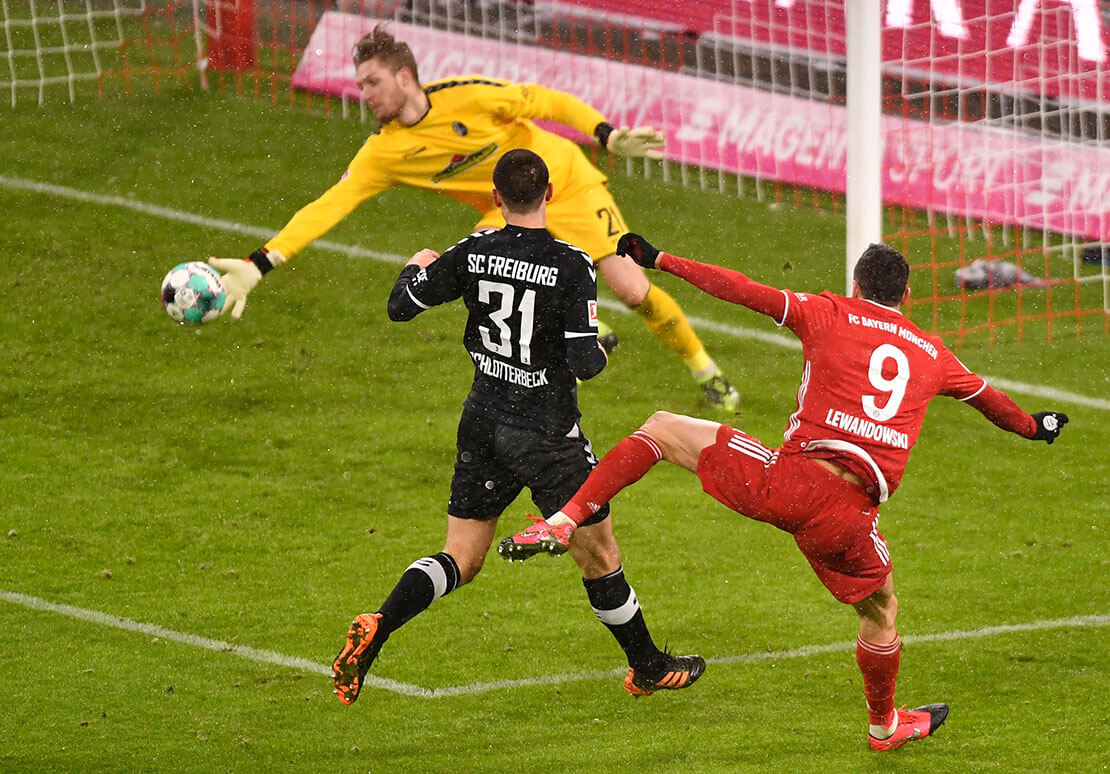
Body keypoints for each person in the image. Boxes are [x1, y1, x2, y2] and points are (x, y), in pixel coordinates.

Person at [499, 234, 1070, 750]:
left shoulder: (827, 312)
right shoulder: (932, 353)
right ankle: (884, 725)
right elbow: (991, 400)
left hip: (785, 484)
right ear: (907, 295)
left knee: (662, 429)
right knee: (883, 611)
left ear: (856, 284)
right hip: (848, 518)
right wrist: (1035, 427)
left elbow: (741, 290)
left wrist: (661, 259)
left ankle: (568, 517)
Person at [330, 151, 705, 705]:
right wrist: (596, 346)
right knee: (598, 552)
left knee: (461, 555)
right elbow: (584, 365)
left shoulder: (474, 250)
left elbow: (400, 307)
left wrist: (416, 265)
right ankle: (647, 665)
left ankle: (380, 625)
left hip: (482, 419)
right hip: (546, 434)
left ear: (496, 198)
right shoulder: (572, 264)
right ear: (550, 194)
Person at [209, 23, 740, 412]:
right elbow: (328, 206)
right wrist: (261, 263)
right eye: (361, 83)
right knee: (484, 267)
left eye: (372, 82)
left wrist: (607, 134)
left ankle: (704, 369)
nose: (363, 94)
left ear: (404, 76)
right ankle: (575, 341)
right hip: (504, 208)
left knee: (631, 289)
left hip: (566, 183)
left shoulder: (469, 98)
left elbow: (546, 100)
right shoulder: (383, 153)